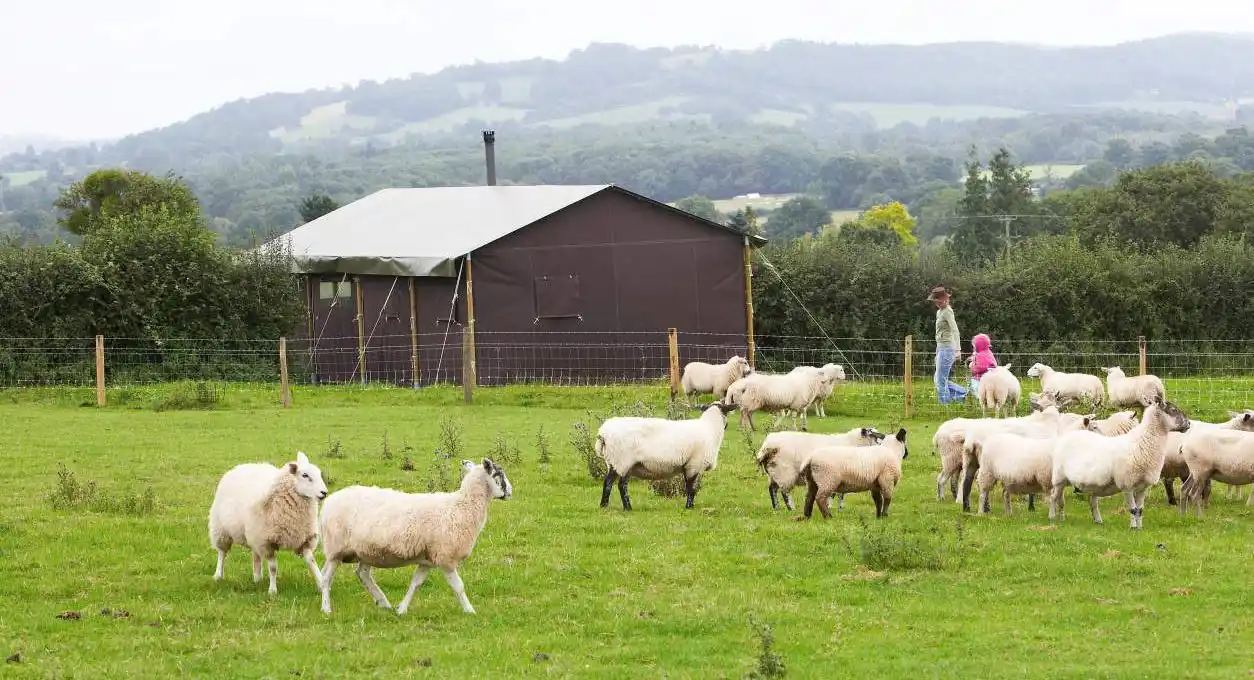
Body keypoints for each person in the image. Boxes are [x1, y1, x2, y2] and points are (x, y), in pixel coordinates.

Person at [928, 285, 968, 405]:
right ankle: (962, 394)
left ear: (944, 299)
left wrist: (958, 350)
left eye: (938, 301)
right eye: (935, 301)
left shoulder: (948, 312)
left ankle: (945, 405)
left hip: (948, 348)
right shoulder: (939, 312)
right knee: (938, 378)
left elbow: (955, 330)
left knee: (941, 379)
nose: (937, 303)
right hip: (940, 347)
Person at [967, 332, 998, 397]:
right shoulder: (988, 352)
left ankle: (979, 396)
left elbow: (980, 367)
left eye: (974, 346)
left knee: (973, 383)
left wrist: (972, 366)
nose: (973, 348)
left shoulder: (981, 355)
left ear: (979, 346)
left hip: (981, 379)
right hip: (992, 378)